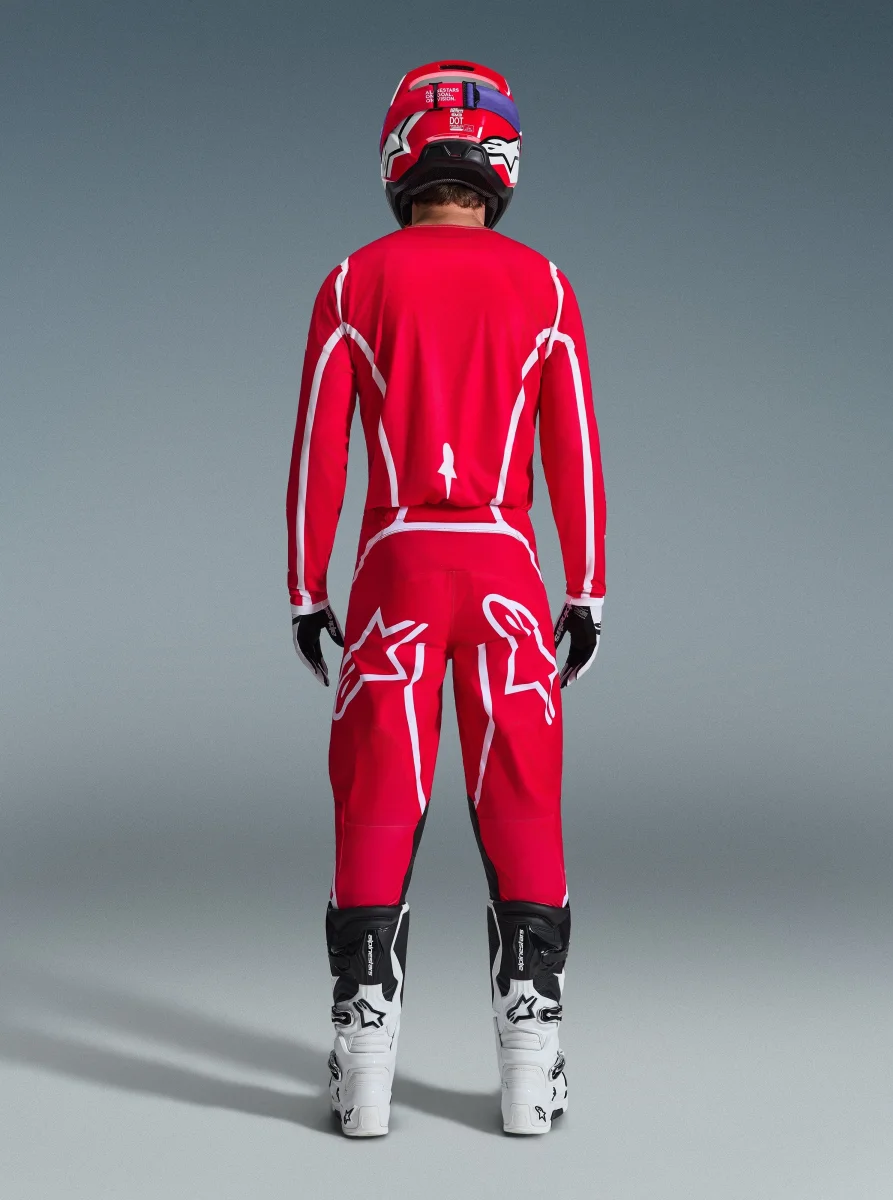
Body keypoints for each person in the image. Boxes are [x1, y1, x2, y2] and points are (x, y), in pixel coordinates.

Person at [286, 60, 606, 1137]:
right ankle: (529, 1073)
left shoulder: (351, 283)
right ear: (501, 160)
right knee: (522, 798)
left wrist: (304, 589)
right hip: (508, 573)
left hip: (395, 573)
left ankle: (364, 1073)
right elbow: (574, 455)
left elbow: (318, 457)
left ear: (399, 157)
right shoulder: (545, 286)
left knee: (378, 798)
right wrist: (588, 592)